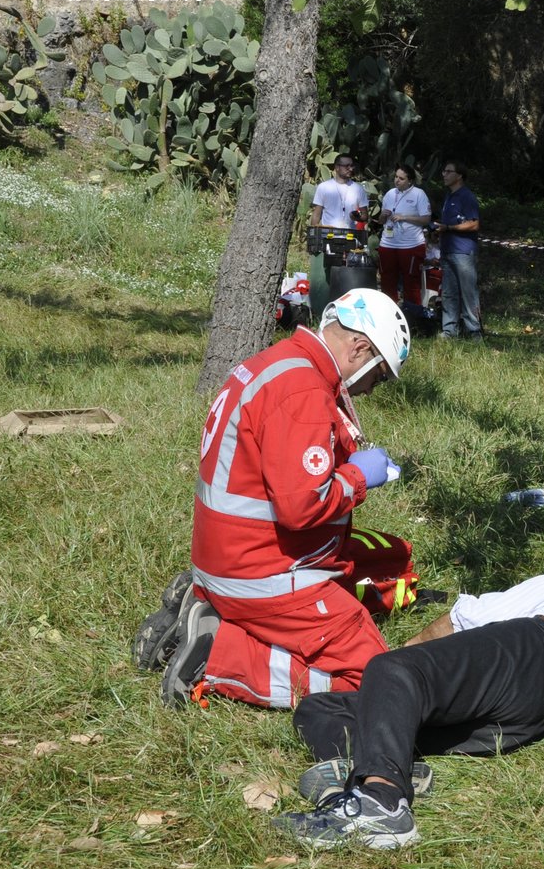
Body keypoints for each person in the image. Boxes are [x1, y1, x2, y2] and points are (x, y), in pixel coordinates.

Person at [136, 288, 420, 709]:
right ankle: (220, 656)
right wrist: (359, 477)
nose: (373, 389)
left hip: (236, 552)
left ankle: (209, 601)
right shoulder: (303, 393)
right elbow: (301, 507)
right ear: (360, 348)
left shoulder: (279, 363)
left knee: (395, 560)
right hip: (264, 569)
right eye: (379, 376)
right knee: (376, 676)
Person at [274, 567, 544, 849]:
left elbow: (464, 618)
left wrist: (400, 666)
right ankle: (395, 773)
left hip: (543, 649)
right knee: (318, 710)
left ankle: (380, 802)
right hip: (539, 712)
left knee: (390, 669)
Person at [433, 159, 483, 339]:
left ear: (459, 175)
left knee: (468, 293)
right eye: (444, 171)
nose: (444, 174)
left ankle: (474, 332)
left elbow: (474, 224)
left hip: (463, 252)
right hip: (447, 250)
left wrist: (449, 228)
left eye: (448, 171)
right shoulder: (449, 196)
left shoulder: (466, 196)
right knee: (448, 293)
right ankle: (449, 331)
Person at [376, 164, 432, 308]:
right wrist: (382, 216)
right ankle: (389, 312)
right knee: (387, 279)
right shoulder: (389, 194)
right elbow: (381, 221)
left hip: (411, 245)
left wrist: (404, 217)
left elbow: (426, 219)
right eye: (396, 177)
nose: (397, 180)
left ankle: (413, 315)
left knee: (411, 282)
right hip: (388, 243)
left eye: (401, 178)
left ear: (410, 181)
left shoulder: (419, 194)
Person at [310, 153, 368, 229]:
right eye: (347, 166)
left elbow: (365, 216)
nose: (351, 169)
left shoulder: (358, 189)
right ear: (337, 167)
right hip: (328, 236)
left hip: (350, 236)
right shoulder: (324, 187)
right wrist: (313, 235)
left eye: (351, 165)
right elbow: (316, 214)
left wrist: (356, 217)